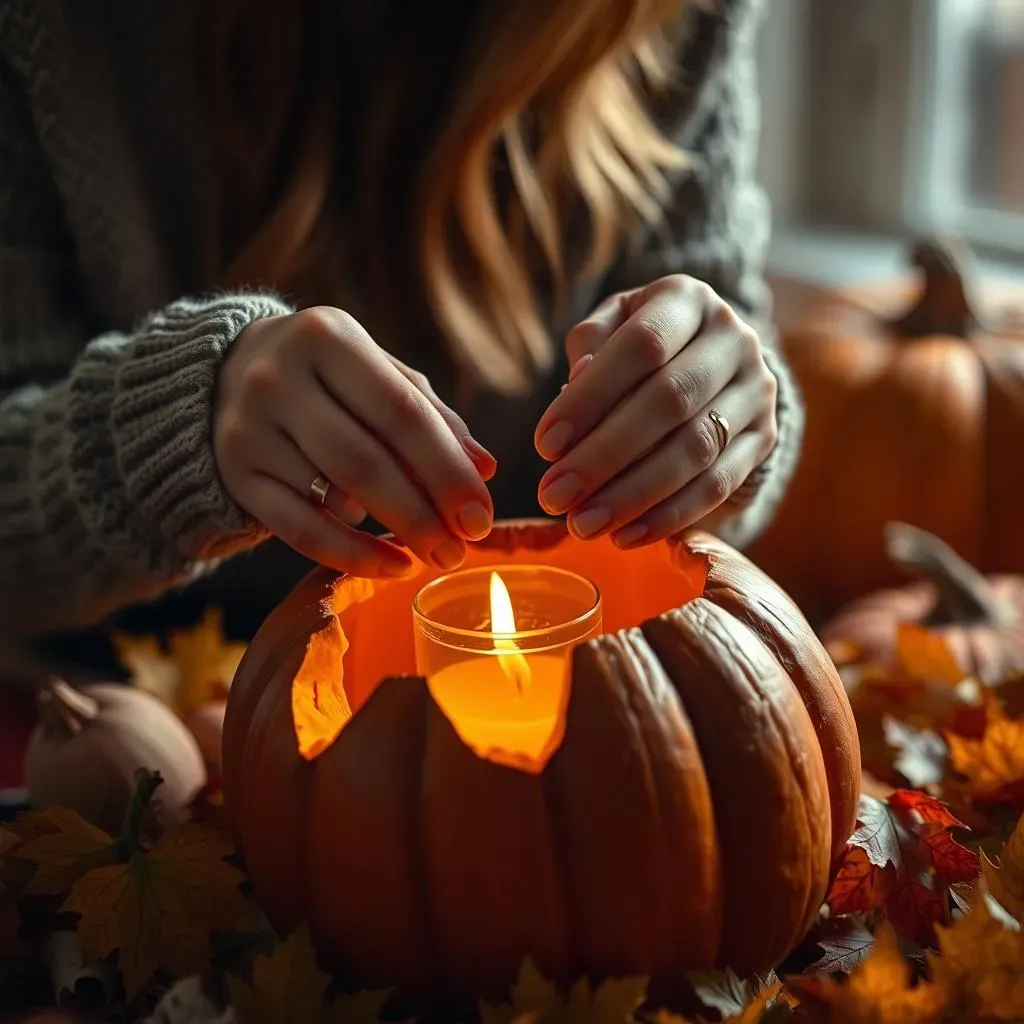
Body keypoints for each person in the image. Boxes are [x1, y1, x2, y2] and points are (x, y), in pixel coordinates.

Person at [0, 0, 800, 637]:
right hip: (118, 723)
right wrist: (167, 438)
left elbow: (736, 366)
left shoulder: (670, 12)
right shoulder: (56, 30)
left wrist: (726, 415)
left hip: (606, 690)